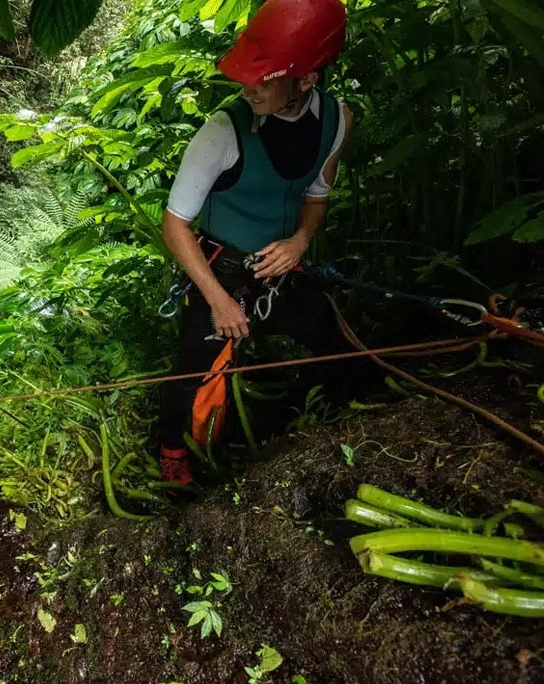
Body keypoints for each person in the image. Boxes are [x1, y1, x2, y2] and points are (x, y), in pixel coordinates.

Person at [158, 0, 355, 485]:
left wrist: (300, 242)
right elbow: (175, 224)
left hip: (281, 269)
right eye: (249, 75)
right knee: (189, 371)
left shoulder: (338, 120)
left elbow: (316, 196)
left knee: (337, 344)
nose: (250, 89)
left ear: (306, 79)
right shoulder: (222, 131)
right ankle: (170, 453)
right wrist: (219, 301)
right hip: (220, 270)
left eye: (265, 78)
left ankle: (336, 425)